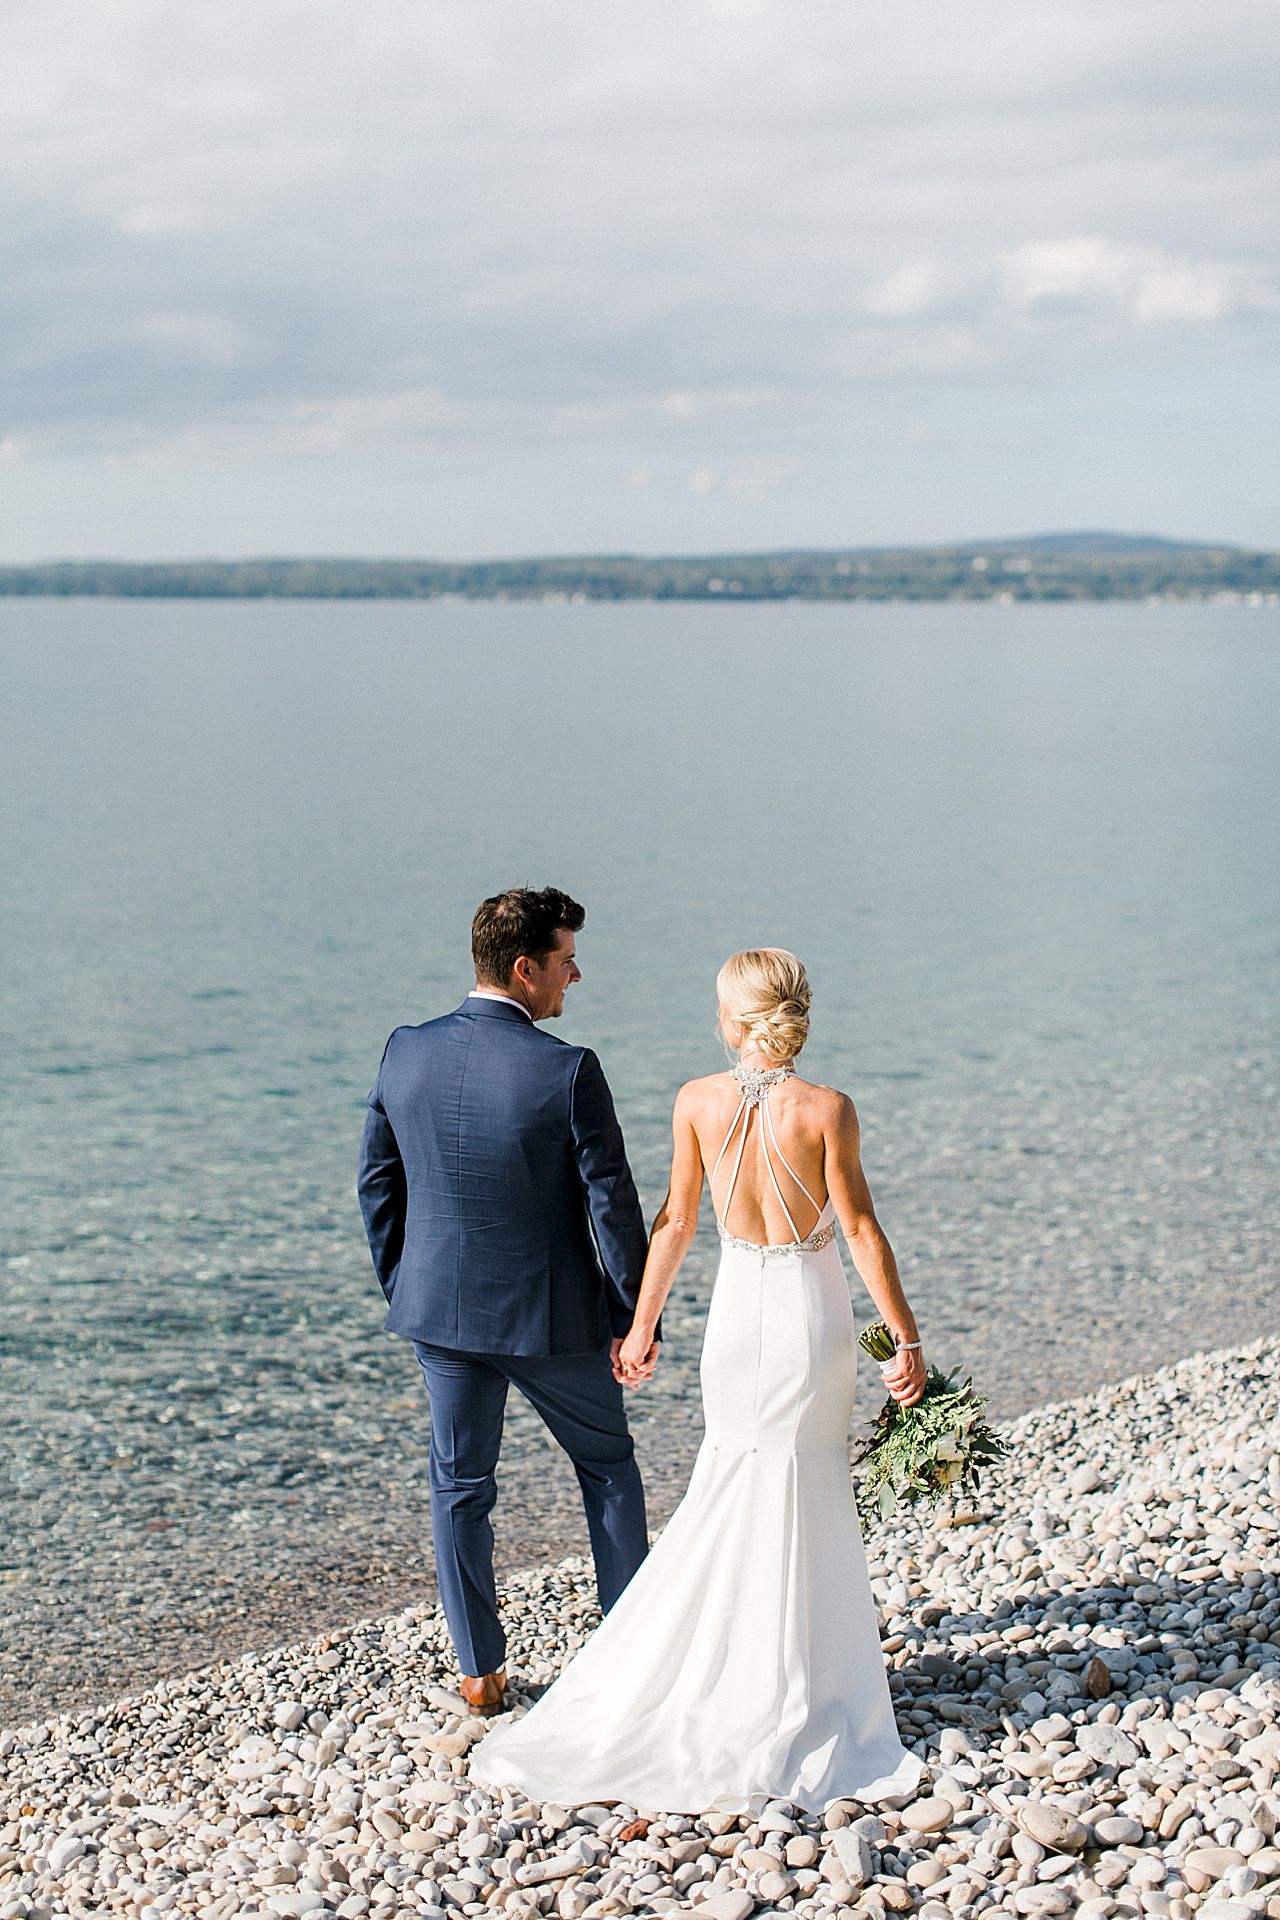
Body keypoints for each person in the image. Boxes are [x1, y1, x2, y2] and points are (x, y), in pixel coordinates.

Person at [471, 947, 927, 1813]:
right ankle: (797, 1678)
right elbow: (861, 1231)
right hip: (805, 1312)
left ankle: (718, 1668)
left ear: (733, 1019)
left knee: (733, 1476)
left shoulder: (697, 1101)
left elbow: (677, 1221)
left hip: (736, 1313)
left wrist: (640, 1328)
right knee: (803, 1482)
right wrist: (902, 1341)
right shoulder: (827, 1108)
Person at [357, 887, 658, 1718]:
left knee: (460, 1485)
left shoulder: (402, 1052)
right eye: (566, 960)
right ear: (526, 969)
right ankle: (626, 1653)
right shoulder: (567, 1070)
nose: (576, 975)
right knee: (606, 1469)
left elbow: (378, 1185)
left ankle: (480, 1674)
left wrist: (406, 1286)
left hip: (439, 1314)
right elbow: (613, 1207)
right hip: (552, 1322)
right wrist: (639, 1319)